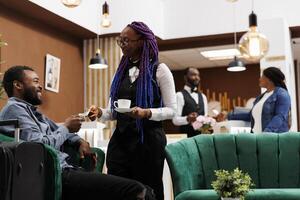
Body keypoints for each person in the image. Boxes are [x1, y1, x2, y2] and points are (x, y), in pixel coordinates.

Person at [0, 65, 152, 200]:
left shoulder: (32, 111)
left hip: (66, 170)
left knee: (146, 190)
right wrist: (66, 127)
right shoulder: (14, 109)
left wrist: (79, 141)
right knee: (137, 190)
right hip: (56, 175)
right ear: (18, 85)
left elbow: (57, 130)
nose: (40, 86)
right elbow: (38, 146)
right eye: (35, 81)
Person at [88, 21, 177, 200]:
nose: (122, 45)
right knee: (117, 188)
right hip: (121, 141)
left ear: (142, 42)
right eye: (120, 40)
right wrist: (99, 112)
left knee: (148, 190)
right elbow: (113, 112)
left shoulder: (160, 70)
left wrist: (147, 113)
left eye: (126, 41)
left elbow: (172, 110)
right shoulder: (119, 73)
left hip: (148, 142)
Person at [226, 67, 291, 133]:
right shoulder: (261, 97)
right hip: (257, 138)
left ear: (269, 79)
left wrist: (267, 132)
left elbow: (280, 116)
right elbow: (250, 115)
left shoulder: (282, 94)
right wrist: (228, 115)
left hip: (271, 139)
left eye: (262, 76)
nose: (260, 79)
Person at [172, 67, 208, 137]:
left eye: (198, 75)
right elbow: (175, 120)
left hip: (202, 137)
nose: (197, 77)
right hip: (186, 139)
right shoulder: (179, 95)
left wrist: (215, 119)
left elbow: (205, 118)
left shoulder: (203, 96)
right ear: (185, 77)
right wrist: (187, 119)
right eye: (193, 75)